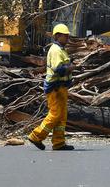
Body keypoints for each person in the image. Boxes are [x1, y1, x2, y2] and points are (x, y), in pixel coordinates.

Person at [28, 23, 77, 151]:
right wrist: (72, 67)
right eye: (65, 36)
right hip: (55, 87)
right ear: (58, 36)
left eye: (67, 36)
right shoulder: (55, 50)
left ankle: (59, 143)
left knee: (61, 116)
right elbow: (59, 70)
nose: (67, 38)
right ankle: (36, 136)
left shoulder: (61, 49)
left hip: (61, 87)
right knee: (55, 115)